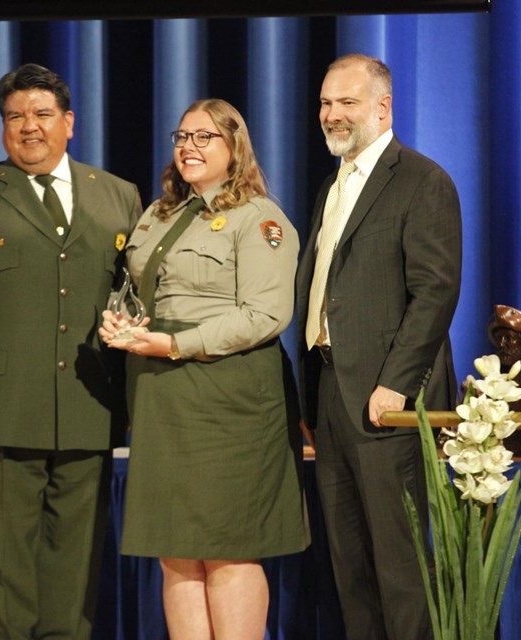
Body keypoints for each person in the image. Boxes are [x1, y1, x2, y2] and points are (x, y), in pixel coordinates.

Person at [0, 63, 141, 639]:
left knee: (75, 575)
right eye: (15, 117)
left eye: (41, 115)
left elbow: (136, 299)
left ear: (69, 123)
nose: (28, 127)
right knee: (4, 578)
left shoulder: (118, 195)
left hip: (89, 410)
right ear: (2, 130)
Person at [100, 98, 309, 640]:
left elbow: (265, 315)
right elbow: (140, 290)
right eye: (182, 137)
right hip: (162, 394)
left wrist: (172, 343)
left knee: (227, 549)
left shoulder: (259, 218)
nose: (188, 147)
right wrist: (121, 322)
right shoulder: (159, 212)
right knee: (176, 549)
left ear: (233, 147)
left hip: (230, 399)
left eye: (204, 138)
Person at [296, 53, 462, 640]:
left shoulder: (422, 180)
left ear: (383, 107)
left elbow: (435, 293)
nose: (331, 114)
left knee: (400, 567)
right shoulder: (332, 184)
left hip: (386, 403)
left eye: (347, 102)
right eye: (325, 102)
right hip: (332, 396)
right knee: (351, 566)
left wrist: (395, 384)